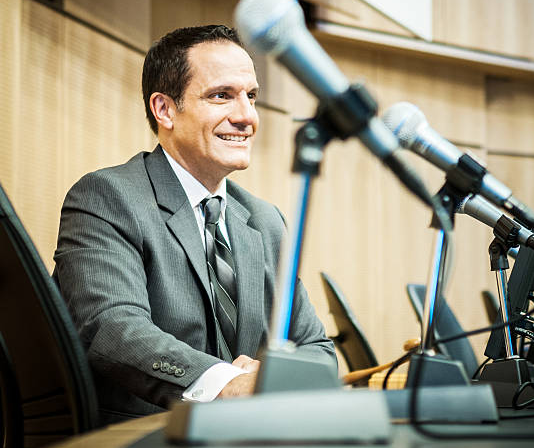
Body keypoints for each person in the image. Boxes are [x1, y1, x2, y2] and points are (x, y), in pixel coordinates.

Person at [54, 25, 336, 425]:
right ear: (165, 109)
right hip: (138, 447)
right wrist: (227, 383)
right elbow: (112, 329)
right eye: (222, 96)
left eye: (250, 96)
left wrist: (266, 379)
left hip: (245, 445)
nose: (246, 117)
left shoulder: (266, 221)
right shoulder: (107, 196)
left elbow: (317, 349)